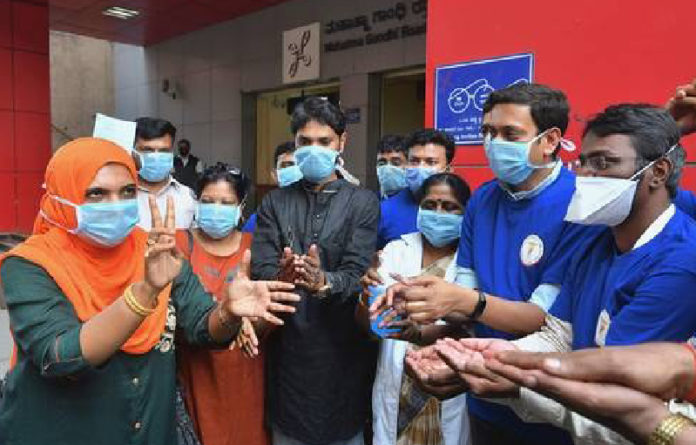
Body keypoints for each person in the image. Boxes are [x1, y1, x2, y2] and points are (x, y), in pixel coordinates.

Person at [408, 104, 696, 445]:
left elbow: (625, 398)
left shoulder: (680, 264)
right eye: (584, 162)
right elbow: (559, 335)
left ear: (658, 172)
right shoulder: (596, 241)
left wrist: (517, 382)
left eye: (604, 163)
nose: (587, 176)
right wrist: (488, 358)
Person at [0, 138, 300, 445]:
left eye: (127, 192)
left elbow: (201, 326)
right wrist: (145, 293)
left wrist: (227, 311)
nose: (115, 204)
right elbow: (60, 357)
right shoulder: (29, 265)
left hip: (148, 430)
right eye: (96, 194)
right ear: (62, 197)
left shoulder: (154, 250)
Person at [374, 83, 598, 445]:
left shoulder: (579, 205)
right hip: (481, 398)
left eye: (510, 133)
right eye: (488, 132)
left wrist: (463, 301)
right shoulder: (483, 199)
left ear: (551, 140)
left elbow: (544, 320)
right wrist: (420, 322)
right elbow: (465, 304)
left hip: (545, 403)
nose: (494, 144)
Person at [251, 96, 379, 445]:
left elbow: (356, 272)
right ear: (294, 142)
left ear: (342, 142)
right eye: (305, 142)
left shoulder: (363, 202)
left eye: (324, 141)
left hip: (342, 351)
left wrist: (324, 282)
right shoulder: (274, 203)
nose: (314, 149)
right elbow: (261, 270)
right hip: (289, 351)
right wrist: (281, 277)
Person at [366, 173, 472, 445]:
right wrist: (364, 297)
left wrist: (421, 331)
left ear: (466, 211)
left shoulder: (473, 260)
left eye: (450, 207)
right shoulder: (396, 251)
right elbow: (370, 323)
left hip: (447, 382)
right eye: (430, 205)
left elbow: (473, 326)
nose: (438, 213)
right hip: (398, 383)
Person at [176, 163, 269, 445]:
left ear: (240, 206)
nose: (216, 208)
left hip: (246, 369)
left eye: (225, 202)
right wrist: (227, 316)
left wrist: (246, 321)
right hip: (197, 366)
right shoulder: (180, 243)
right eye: (207, 201)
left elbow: (268, 304)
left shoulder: (256, 246)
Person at [489, 344, 696, 445]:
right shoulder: (587, 261)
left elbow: (615, 387)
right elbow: (559, 333)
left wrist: (655, 423)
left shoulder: (674, 272)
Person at [376, 129, 455, 249]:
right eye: (414, 161)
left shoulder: (461, 210)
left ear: (448, 170)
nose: (420, 168)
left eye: (431, 162)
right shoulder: (384, 211)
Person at [134, 117, 197, 231]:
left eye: (164, 151)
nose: (156, 156)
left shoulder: (188, 197)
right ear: (133, 152)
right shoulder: (119, 198)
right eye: (147, 150)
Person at [243, 141, 299, 234]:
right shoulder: (261, 217)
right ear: (274, 175)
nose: (295, 170)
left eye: (301, 165)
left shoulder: (324, 214)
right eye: (287, 165)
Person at [376, 134, 408, 199]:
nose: (387, 169)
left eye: (396, 163)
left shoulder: (420, 203)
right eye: (382, 163)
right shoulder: (371, 201)